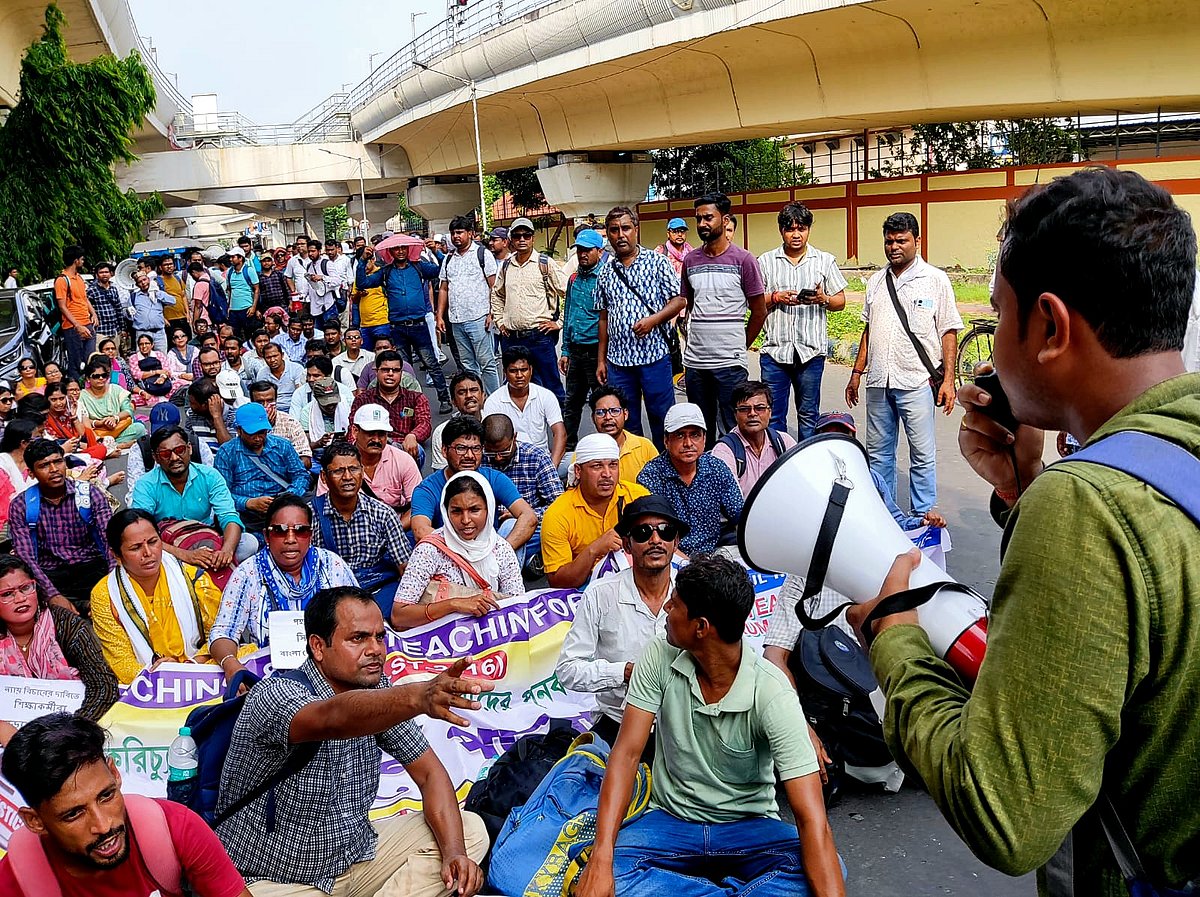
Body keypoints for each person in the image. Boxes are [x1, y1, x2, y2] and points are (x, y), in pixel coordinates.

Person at [844, 167, 1200, 895]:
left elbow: (1007, 812)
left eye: (998, 317)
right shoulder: (1155, 465)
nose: (989, 347)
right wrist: (1022, 490)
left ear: (1050, 326)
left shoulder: (1086, 509)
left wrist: (893, 635)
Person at [574, 555, 844, 897]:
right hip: (671, 821)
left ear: (700, 627)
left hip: (748, 828)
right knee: (606, 868)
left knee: (823, 868)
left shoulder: (772, 691)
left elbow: (812, 821)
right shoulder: (658, 655)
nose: (666, 610)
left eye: (675, 605)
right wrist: (601, 858)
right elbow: (626, 755)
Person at [215, 586, 489, 896]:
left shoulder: (379, 693)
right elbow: (334, 718)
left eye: (380, 637)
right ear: (318, 647)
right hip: (277, 880)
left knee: (468, 833)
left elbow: (429, 774)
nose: (375, 649)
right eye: (358, 638)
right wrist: (419, 696)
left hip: (355, 861)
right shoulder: (276, 695)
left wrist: (453, 853)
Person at [0, 713, 252, 897]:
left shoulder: (175, 828)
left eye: (106, 796)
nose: (103, 825)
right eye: (74, 814)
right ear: (35, 821)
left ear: (115, 773)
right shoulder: (19, 878)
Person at [846, 211, 962, 515]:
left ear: (917, 241)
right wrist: (857, 373)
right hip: (879, 383)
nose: (894, 246)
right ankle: (884, 513)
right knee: (879, 455)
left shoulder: (935, 280)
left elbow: (948, 330)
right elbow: (868, 330)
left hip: (916, 382)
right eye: (889, 241)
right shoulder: (875, 281)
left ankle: (923, 515)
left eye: (901, 240)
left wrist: (948, 380)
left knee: (922, 455)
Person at [555, 494, 683, 749]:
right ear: (627, 544)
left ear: (676, 541)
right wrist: (623, 673)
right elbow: (567, 670)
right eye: (644, 532)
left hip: (683, 725)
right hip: (618, 722)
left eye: (666, 532)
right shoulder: (601, 594)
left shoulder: (693, 591)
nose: (655, 540)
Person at [208, 495, 358, 675]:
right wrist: (230, 664)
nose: (290, 539)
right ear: (267, 536)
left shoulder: (331, 565)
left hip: (332, 672)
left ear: (310, 534)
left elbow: (359, 619)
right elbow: (223, 633)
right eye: (280, 530)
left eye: (300, 530)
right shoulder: (248, 573)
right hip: (269, 675)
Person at [89, 509, 224, 684]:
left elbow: (220, 635)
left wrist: (187, 666)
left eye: (153, 542)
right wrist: (161, 675)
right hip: (147, 679)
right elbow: (120, 661)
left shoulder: (195, 580)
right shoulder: (105, 595)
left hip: (198, 667)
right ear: (116, 555)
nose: (148, 553)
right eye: (135, 547)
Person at [680, 193, 768, 446]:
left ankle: (737, 479)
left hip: (730, 364)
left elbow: (759, 311)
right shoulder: (691, 260)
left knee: (735, 430)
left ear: (725, 219)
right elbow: (689, 304)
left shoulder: (744, 260)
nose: (702, 224)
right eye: (698, 219)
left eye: (708, 218)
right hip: (696, 364)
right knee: (699, 432)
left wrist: (740, 345)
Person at [0, 557, 119, 743]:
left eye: (26, 588)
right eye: (7, 594)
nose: (20, 598)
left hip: (73, 735)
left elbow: (103, 684)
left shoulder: (66, 625)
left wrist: (71, 729)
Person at [595, 206, 685, 448]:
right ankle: (632, 470)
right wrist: (601, 360)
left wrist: (654, 320)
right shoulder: (605, 272)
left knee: (662, 417)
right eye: (614, 230)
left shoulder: (657, 262)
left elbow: (679, 300)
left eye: (625, 228)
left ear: (636, 230)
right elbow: (603, 317)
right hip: (619, 363)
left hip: (654, 357)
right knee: (626, 421)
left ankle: (665, 468)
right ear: (608, 234)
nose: (620, 235)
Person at [757, 202, 849, 440]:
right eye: (790, 229)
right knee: (773, 416)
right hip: (776, 352)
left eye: (802, 228)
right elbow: (754, 302)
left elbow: (840, 301)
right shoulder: (766, 261)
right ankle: (777, 467)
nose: (796, 234)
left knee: (808, 414)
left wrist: (822, 299)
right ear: (781, 231)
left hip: (810, 352)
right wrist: (775, 297)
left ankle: (806, 465)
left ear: (809, 230)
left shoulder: (824, 260)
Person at [392, 471, 524, 630]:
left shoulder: (501, 549)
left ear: (488, 509)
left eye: (474, 510)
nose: (466, 520)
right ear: (445, 511)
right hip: (441, 640)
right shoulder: (430, 549)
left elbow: (518, 609)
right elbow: (399, 616)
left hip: (490, 637)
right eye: (456, 511)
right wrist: (454, 605)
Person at [8, 438, 114, 616]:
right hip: (51, 575)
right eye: (44, 465)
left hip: (92, 568)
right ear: (31, 473)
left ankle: (87, 604)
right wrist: (53, 595)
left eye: (58, 461)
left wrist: (113, 587)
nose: (54, 470)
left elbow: (110, 541)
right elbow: (26, 557)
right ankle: (83, 606)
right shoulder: (21, 505)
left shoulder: (89, 494)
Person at [131, 423, 258, 568]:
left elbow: (229, 516)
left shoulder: (210, 476)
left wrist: (226, 552)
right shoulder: (145, 485)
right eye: (166, 454)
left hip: (207, 538)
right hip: (168, 547)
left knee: (248, 543)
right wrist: (186, 555)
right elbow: (142, 532)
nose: (174, 458)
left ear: (189, 449)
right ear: (156, 458)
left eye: (179, 450)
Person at [410, 416, 537, 553]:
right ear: (444, 451)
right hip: (448, 555)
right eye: (461, 448)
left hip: (490, 552)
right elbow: (421, 530)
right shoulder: (428, 489)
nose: (469, 455)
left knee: (512, 525)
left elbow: (528, 516)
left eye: (476, 448)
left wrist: (501, 554)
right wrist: (466, 554)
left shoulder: (494, 478)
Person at [355, 236, 453, 413]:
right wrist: (362, 261)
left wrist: (436, 251)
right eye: (396, 248)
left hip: (419, 325)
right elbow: (363, 283)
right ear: (390, 252)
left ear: (408, 250)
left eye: (403, 248)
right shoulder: (386, 272)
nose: (400, 251)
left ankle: (444, 399)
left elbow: (443, 270)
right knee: (403, 368)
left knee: (431, 363)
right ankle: (407, 407)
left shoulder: (419, 266)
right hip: (397, 327)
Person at [313, 442, 411, 617]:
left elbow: (405, 567)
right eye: (338, 471)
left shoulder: (383, 514)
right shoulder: (311, 515)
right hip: (330, 595)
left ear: (362, 472)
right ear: (324, 477)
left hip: (375, 590)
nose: (348, 477)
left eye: (354, 469)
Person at [541, 433, 650, 589]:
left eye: (613, 465)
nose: (607, 474)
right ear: (578, 471)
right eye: (597, 466)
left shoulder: (638, 497)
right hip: (586, 590)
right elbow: (558, 582)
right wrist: (594, 550)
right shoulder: (557, 514)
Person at [637, 402, 743, 556]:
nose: (688, 444)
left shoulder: (716, 468)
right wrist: (687, 564)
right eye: (680, 435)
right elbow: (653, 536)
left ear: (704, 438)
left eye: (695, 435)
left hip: (715, 552)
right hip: (669, 556)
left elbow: (739, 516)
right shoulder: (651, 476)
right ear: (666, 440)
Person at [489, 216, 568, 403]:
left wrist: (559, 323)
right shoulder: (506, 266)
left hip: (539, 337)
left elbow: (569, 293)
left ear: (532, 238)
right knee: (518, 388)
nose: (522, 239)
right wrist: (500, 322)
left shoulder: (544, 264)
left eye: (526, 235)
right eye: (517, 236)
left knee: (552, 387)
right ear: (511, 240)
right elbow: (497, 295)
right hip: (511, 338)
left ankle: (562, 430)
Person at [482, 412, 563, 574]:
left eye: (504, 451)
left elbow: (560, 506)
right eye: (492, 453)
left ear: (515, 438)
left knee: (541, 530)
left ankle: (500, 572)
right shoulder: (479, 457)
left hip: (530, 526)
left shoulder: (537, 458)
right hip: (486, 527)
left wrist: (523, 515)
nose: (498, 458)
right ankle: (527, 559)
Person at [214, 402, 311, 535]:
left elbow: (301, 475)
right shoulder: (227, 453)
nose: (258, 438)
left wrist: (289, 495)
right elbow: (221, 493)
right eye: (252, 433)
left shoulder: (282, 446)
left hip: (284, 502)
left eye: (262, 432)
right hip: (248, 512)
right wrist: (248, 503)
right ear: (239, 430)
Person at [437, 216, 501, 394]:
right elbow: (444, 288)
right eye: (453, 233)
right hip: (456, 320)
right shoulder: (449, 259)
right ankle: (476, 401)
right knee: (467, 366)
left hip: (479, 318)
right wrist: (439, 316)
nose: (456, 236)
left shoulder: (482, 254)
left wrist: (491, 313)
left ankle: (494, 402)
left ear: (470, 234)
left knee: (487, 363)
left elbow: (493, 286)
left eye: (460, 232)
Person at [559, 229, 605, 450]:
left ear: (600, 251)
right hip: (576, 351)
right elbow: (568, 314)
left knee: (602, 403)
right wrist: (565, 350)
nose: (583, 254)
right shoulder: (574, 279)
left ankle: (604, 445)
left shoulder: (606, 278)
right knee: (571, 403)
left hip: (598, 352)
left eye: (588, 250)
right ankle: (568, 447)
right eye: (580, 250)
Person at [483, 346, 567, 466]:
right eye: (513, 371)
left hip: (542, 460)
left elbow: (560, 433)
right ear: (505, 372)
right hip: (508, 462)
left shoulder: (545, 396)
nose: (519, 375)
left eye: (524, 370)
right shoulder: (494, 401)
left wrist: (551, 468)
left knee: (577, 461)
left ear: (531, 370)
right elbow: (490, 442)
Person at [711, 380, 797, 496]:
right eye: (744, 409)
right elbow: (730, 502)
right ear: (735, 415)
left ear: (770, 412)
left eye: (759, 408)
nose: (752, 413)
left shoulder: (784, 442)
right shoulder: (724, 452)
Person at [350, 349, 432, 465]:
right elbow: (352, 428)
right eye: (385, 370)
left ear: (401, 373)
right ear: (376, 371)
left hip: (403, 445)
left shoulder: (416, 398)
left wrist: (413, 435)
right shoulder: (363, 399)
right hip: (372, 443)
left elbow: (424, 423)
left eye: (395, 370)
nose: (390, 373)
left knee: (418, 450)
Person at [43, 381, 117, 462]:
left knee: (107, 441)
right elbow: (50, 444)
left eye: (61, 398)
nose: (59, 403)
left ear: (66, 398)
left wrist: (74, 417)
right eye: (53, 400)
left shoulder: (71, 408)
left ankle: (95, 457)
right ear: (47, 400)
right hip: (61, 452)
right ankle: (103, 455)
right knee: (99, 450)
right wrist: (70, 447)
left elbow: (83, 434)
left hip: (78, 448)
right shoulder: (45, 417)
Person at [78, 359, 146, 446]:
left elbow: (128, 411)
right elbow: (81, 419)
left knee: (139, 429)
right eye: (96, 376)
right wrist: (99, 423)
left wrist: (115, 418)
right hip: (97, 432)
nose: (101, 378)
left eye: (104, 375)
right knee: (85, 436)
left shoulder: (116, 389)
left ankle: (108, 445)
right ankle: (117, 445)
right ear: (88, 378)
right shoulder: (82, 396)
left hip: (118, 428)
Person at [55, 245, 97, 380]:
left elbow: (84, 299)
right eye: (82, 259)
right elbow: (62, 306)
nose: (83, 262)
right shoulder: (62, 280)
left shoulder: (79, 278)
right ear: (75, 261)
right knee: (76, 363)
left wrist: (94, 314)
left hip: (87, 323)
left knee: (90, 361)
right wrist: (77, 325)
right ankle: (75, 392)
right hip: (72, 328)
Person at [431, 371, 484, 471]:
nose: (469, 395)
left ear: (483, 396)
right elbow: (441, 474)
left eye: (474, 390)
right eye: (462, 392)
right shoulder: (441, 431)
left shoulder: (497, 425)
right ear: (453, 401)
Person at [125, 270, 174, 353]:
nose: (143, 283)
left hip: (159, 333)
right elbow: (130, 316)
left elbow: (173, 301)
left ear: (148, 280)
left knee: (162, 357)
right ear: (137, 285)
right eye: (140, 282)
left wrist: (157, 293)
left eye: (144, 280)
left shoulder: (157, 293)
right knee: (142, 357)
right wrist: (129, 313)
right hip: (142, 333)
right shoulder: (134, 297)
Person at [185, 377, 236, 457]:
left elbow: (230, 450)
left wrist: (217, 417)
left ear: (206, 404)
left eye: (193, 403)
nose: (190, 406)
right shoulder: (191, 414)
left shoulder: (233, 416)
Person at [86, 260, 126, 345]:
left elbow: (118, 310)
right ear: (97, 275)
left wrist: (122, 329)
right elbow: (88, 311)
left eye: (106, 272)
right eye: (101, 272)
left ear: (110, 274)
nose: (104, 274)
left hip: (114, 330)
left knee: (114, 356)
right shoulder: (91, 291)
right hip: (100, 331)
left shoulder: (113, 289)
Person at [258, 342, 305, 413]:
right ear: (264, 359)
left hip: (294, 406)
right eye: (268, 357)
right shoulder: (262, 373)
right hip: (272, 408)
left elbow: (300, 393)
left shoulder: (296, 368)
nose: (272, 360)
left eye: (275, 356)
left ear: (282, 355)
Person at [226, 247, 260, 338]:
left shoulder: (249, 270)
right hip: (233, 310)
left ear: (240, 258)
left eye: (233, 257)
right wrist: (229, 307)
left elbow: (256, 289)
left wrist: (253, 307)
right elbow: (229, 290)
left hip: (247, 308)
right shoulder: (229, 272)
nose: (231, 259)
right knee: (235, 335)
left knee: (249, 334)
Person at [157, 256, 190, 331]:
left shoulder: (177, 278)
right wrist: (163, 319)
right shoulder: (157, 282)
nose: (169, 266)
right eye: (166, 265)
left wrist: (187, 313)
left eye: (171, 264)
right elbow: (155, 303)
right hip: (169, 320)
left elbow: (183, 296)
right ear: (160, 267)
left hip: (183, 317)